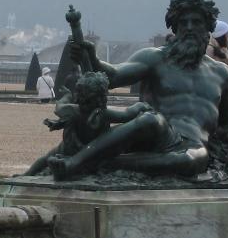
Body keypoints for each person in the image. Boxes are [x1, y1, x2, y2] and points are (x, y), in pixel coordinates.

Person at [51, 0, 228, 179]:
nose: (190, 27)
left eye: (197, 22)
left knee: (197, 158)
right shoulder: (155, 58)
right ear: (175, 29)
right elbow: (112, 76)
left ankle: (99, 163)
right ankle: (76, 161)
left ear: (208, 29)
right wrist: (92, 58)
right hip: (154, 133)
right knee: (151, 119)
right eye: (183, 23)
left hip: (190, 145)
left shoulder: (221, 73)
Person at [25, 71, 154, 175]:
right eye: (81, 99)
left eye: (85, 100)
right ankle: (28, 174)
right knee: (46, 158)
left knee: (46, 158)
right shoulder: (100, 113)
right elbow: (127, 114)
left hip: (81, 149)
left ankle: (28, 174)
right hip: (85, 149)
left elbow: (59, 106)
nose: (82, 103)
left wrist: (67, 96)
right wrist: (141, 106)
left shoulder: (78, 110)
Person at [207, 20, 228, 91]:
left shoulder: (218, 48)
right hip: (216, 88)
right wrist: (224, 53)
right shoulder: (212, 49)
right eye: (227, 34)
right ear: (221, 36)